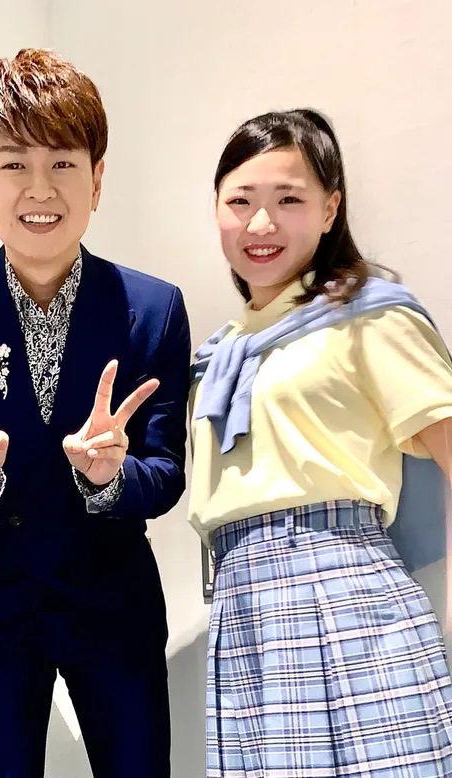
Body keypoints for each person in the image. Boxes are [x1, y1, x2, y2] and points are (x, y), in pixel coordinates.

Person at [0, 48, 191, 778]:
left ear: (97, 178)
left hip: (114, 608)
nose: (40, 188)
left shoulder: (152, 308)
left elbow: (166, 473)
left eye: (62, 163)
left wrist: (111, 479)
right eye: (13, 165)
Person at [190, 108, 452, 777]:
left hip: (346, 599)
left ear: (330, 208)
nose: (261, 224)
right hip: (241, 612)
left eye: (289, 200)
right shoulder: (218, 355)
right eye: (240, 201)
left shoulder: (369, 315)